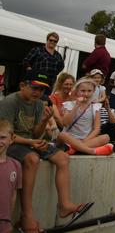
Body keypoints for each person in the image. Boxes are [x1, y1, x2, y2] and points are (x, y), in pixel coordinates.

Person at [0, 71, 93, 233]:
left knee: (63, 158)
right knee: (32, 159)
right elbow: (7, 136)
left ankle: (64, 204)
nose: (38, 93)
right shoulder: (10, 102)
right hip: (13, 143)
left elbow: (36, 134)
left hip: (30, 141)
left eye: (42, 90)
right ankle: (27, 215)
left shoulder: (37, 104)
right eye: (34, 88)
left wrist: (43, 121)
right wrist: (32, 143)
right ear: (22, 86)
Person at [57, 77, 113, 156]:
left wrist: (84, 140)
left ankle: (75, 148)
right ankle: (92, 151)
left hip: (86, 139)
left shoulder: (95, 107)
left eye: (89, 91)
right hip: (69, 138)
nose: (86, 94)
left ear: (93, 91)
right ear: (77, 91)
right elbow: (65, 123)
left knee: (106, 137)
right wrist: (76, 106)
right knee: (62, 135)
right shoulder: (69, 105)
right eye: (83, 91)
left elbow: (96, 129)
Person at [0, 119, 21, 233]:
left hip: (5, 223)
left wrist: (9, 219)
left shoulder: (16, 165)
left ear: (11, 139)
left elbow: (13, 194)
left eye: (2, 137)